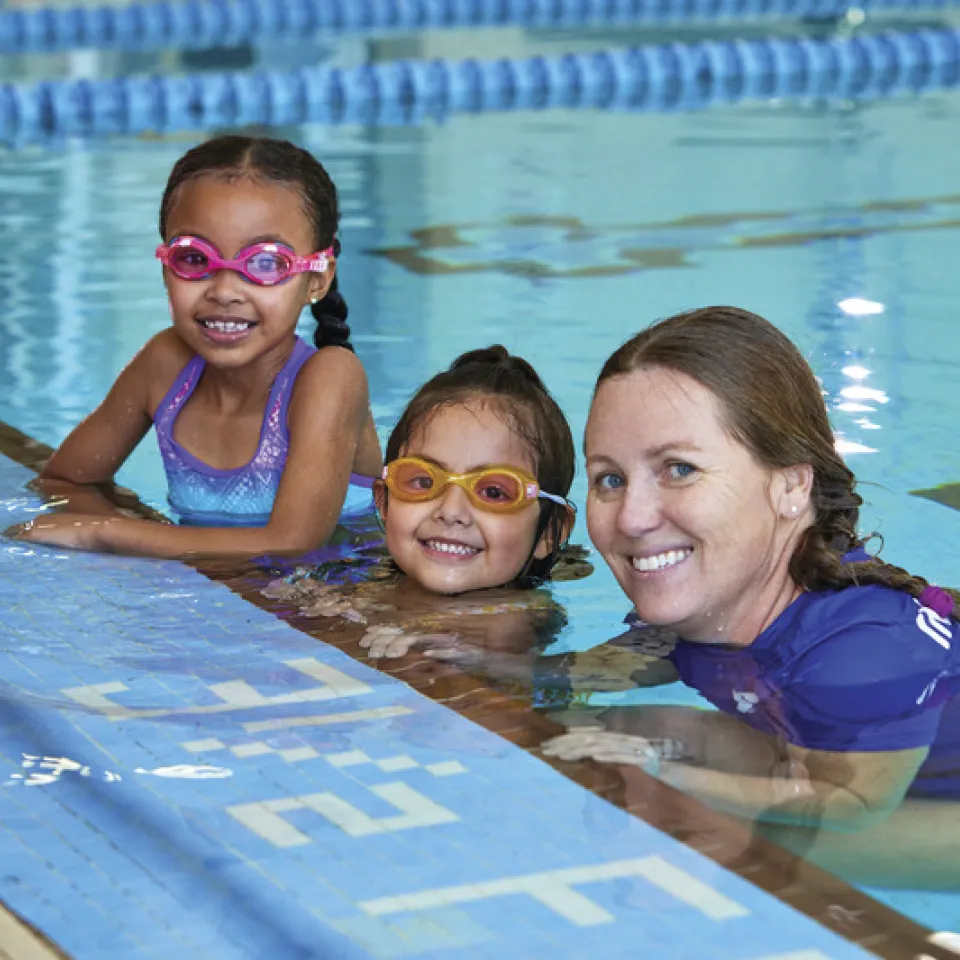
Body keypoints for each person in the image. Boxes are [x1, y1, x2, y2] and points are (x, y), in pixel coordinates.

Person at [542, 306, 960, 888]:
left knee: (695, 819)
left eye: (680, 469)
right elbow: (562, 685)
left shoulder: (863, 651)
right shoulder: (712, 613)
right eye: (609, 479)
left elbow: (849, 803)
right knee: (638, 731)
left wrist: (668, 774)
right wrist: (451, 659)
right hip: (884, 769)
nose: (633, 519)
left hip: (880, 799)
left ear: (791, 484)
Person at [7, 135, 382, 558]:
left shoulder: (331, 376)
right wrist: (144, 532)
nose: (224, 291)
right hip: (223, 596)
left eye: (264, 263)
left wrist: (105, 532)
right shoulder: (166, 365)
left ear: (317, 278)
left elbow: (290, 543)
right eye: (194, 258)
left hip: (342, 599)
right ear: (166, 264)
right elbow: (64, 480)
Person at [267, 347, 657, 702]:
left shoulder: (514, 612)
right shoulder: (364, 580)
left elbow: (469, 682)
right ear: (384, 503)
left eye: (494, 492)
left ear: (550, 533)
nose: (451, 511)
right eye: (422, 481)